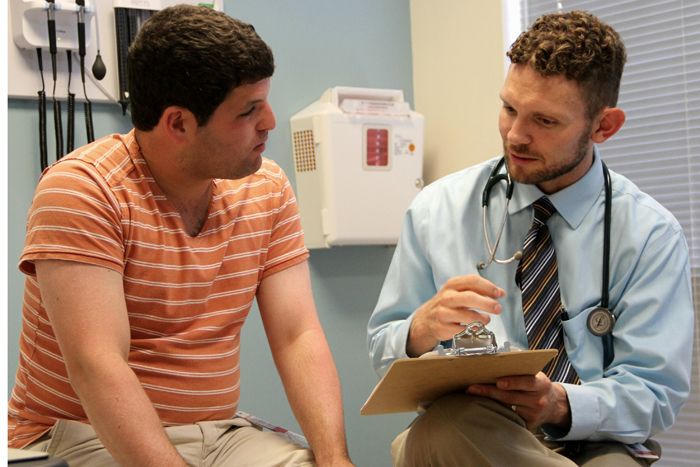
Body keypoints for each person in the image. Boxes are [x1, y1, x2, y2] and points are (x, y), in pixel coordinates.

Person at [8, 5, 353, 466]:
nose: (270, 121)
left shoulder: (265, 188)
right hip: (82, 435)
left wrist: (335, 459)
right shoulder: (84, 190)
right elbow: (98, 366)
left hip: (221, 436)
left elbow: (297, 335)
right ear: (178, 123)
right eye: (249, 111)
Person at [367, 10, 694, 467]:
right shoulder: (436, 210)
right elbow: (383, 356)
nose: (516, 135)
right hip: (469, 426)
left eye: (545, 121)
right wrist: (419, 331)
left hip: (595, 440)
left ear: (604, 126)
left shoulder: (649, 235)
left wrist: (560, 403)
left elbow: (656, 394)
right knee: (442, 429)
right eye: (509, 108)